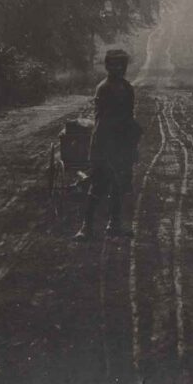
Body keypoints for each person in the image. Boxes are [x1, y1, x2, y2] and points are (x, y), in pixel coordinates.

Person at [75, 48, 141, 240]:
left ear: (125, 66)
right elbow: (104, 121)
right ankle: (86, 227)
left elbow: (129, 117)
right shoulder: (103, 88)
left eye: (121, 64)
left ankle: (115, 224)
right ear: (107, 66)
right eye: (113, 64)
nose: (117, 68)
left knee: (120, 185)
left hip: (122, 143)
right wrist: (104, 149)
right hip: (104, 142)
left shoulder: (128, 88)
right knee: (98, 185)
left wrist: (132, 145)